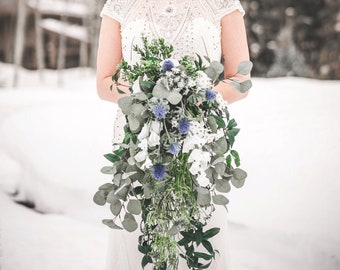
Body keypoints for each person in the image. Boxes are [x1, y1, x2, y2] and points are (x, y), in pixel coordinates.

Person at [96, 0, 251, 269]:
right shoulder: (119, 4)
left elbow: (240, 79)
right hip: (138, 147)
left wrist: (195, 99)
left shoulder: (223, 4)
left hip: (199, 147)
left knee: (197, 241)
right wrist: (145, 100)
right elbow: (104, 82)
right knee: (138, 244)